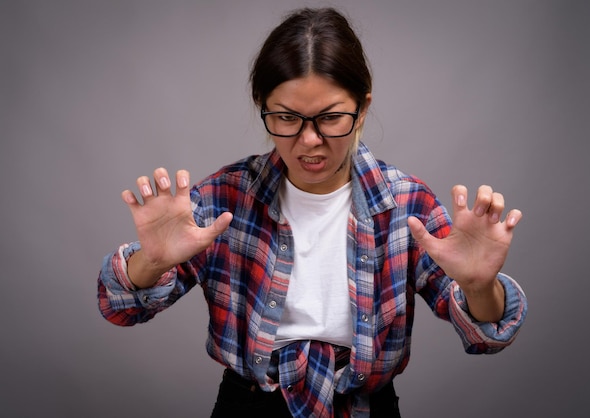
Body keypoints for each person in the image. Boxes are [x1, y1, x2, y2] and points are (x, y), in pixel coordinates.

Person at [97, 7, 527, 418]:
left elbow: (487, 337)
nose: (309, 141)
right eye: (286, 117)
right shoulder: (226, 198)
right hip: (248, 407)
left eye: (330, 117)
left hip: (366, 407)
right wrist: (150, 262)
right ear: (260, 103)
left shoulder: (406, 203)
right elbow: (119, 308)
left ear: (362, 107)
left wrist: (479, 286)